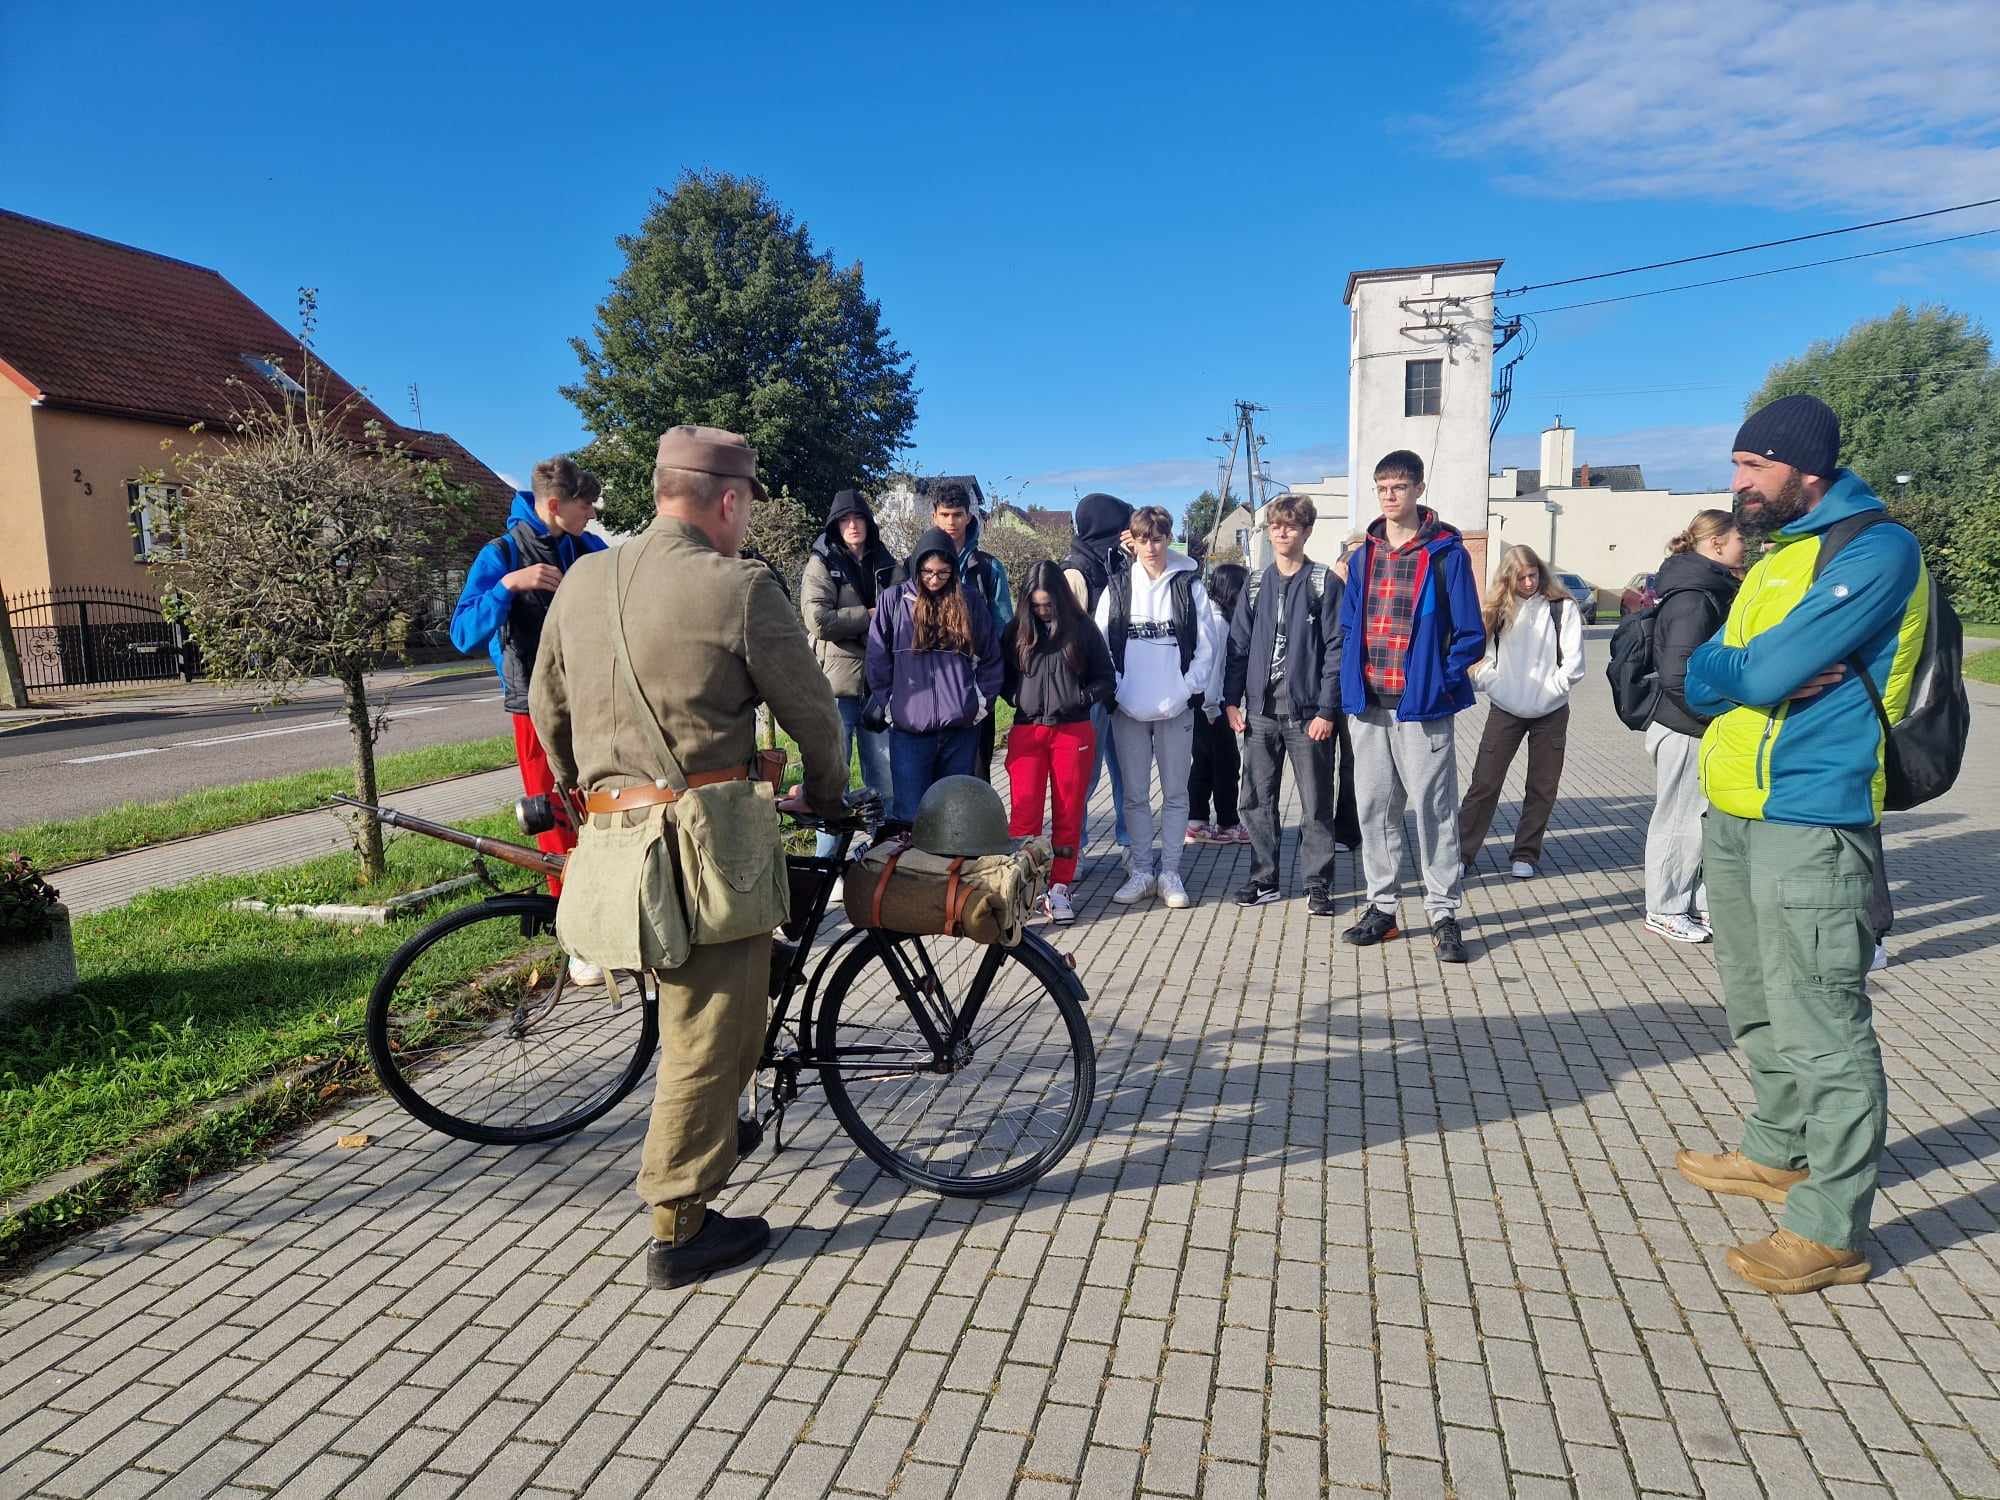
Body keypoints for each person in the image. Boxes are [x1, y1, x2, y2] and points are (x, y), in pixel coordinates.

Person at [529, 425, 846, 1288]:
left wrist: (585, 797)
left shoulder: (584, 578)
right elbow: (815, 715)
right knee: (707, 1036)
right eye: (748, 508)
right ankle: (678, 1225)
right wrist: (827, 790)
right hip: (709, 850)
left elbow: (544, 705)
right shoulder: (737, 586)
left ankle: (714, 1129)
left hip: (612, 843)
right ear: (730, 501)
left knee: (705, 1022)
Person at [1675, 393, 1928, 1295]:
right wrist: (1727, 671)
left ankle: (1832, 1225)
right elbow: (1703, 671)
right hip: (1738, 807)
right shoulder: (1783, 554)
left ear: (1803, 468)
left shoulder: (1876, 549)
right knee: (1754, 996)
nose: (1737, 482)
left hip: (1811, 817)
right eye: (1736, 465)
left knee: (1822, 1019)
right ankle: (1777, 1150)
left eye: (1753, 466)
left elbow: (1767, 670)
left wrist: (1738, 671)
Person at [1337, 450, 1485, 963]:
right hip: (1369, 705)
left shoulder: (1447, 555)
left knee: (1434, 810)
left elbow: (1470, 635)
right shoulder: (1364, 557)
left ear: (1419, 489)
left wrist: (1437, 682)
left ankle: (1443, 912)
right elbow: (1348, 626)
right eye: (1381, 487)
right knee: (1375, 809)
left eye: (1398, 486)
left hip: (1423, 707)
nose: (1389, 495)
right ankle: (1382, 908)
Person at [448, 458, 607, 928]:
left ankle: (604, 911)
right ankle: (571, 925)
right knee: (553, 814)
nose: (594, 514)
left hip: (591, 699)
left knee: (599, 805)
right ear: (555, 505)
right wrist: (507, 587)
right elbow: (462, 632)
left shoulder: (588, 548)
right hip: (533, 705)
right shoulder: (501, 554)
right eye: (587, 505)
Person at [1222, 497, 1352, 914]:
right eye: (1276, 526)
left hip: (1307, 714)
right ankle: (1264, 879)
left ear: (1307, 531)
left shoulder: (1323, 582)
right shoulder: (1256, 583)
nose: (1282, 533)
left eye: (1291, 526)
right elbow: (1238, 646)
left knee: (1315, 803)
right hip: (1259, 712)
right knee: (1256, 801)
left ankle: (1318, 883)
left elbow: (1337, 649)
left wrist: (1327, 711)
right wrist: (1230, 701)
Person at [1094, 506, 1216, 909]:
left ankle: (1170, 873)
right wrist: (1120, 692)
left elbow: (1207, 647)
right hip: (1127, 709)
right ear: (1132, 540)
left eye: (1158, 538)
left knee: (1176, 793)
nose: (1151, 546)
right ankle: (1142, 870)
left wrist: (1185, 690)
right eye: (1143, 539)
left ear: (1168, 538)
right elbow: (1100, 647)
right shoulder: (1117, 588)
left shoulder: (1189, 586)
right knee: (1134, 795)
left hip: (1176, 709)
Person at [1640, 510, 1744, 943]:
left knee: (1700, 818)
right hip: (1685, 725)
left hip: (1698, 724)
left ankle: (1695, 904)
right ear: (1716, 543)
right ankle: (1664, 907)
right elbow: (1678, 674)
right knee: (1679, 818)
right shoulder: (1693, 597)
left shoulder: (1707, 588)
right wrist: (1713, 715)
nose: (1746, 546)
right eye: (1739, 538)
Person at [1456, 543, 1586, 879]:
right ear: (1508, 578)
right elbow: (1476, 657)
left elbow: (1574, 664)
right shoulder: (1496, 609)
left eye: (1533, 574)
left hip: (1552, 710)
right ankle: (1461, 854)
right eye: (1521, 577)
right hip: (1505, 708)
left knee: (1542, 786)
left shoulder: (1562, 607)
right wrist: (1495, 684)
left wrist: (1552, 690)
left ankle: (1526, 854)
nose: (1529, 582)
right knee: (1484, 783)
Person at [867, 527, 1004, 825]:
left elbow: (991, 658)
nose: (933, 579)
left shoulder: (970, 601)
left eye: (943, 573)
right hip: (909, 733)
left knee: (954, 819)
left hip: (960, 731)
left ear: (953, 570)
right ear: (916, 566)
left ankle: (951, 873)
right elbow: (877, 661)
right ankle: (913, 873)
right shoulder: (893, 601)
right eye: (927, 571)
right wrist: (892, 707)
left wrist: (977, 707)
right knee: (910, 817)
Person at [1003, 560, 1116, 923]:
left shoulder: (1082, 629)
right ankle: (1023, 889)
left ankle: (1060, 888)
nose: (1042, 610)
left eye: (1047, 604)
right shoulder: (1016, 631)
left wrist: (1080, 699)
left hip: (1073, 731)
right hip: (1027, 730)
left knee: (1068, 811)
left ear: (1060, 599)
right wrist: (1017, 698)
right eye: (1035, 605)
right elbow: (1000, 675)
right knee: (1024, 814)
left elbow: (1105, 677)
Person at [800, 488, 897, 857]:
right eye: (845, 520)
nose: (853, 526)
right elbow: (818, 620)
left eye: (858, 519)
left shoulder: (885, 561)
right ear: (835, 525)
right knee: (833, 785)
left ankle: (882, 861)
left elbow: (901, 611)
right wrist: (869, 617)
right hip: (836, 689)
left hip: (878, 686)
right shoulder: (821, 563)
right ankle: (829, 865)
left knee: (884, 782)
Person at [921, 481, 1013, 781]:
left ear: (969, 517)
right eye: (945, 514)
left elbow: (1003, 629)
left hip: (974, 690)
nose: (951, 522)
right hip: (926, 689)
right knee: (929, 779)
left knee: (975, 776)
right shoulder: (915, 565)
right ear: (934, 515)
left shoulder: (988, 568)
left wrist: (989, 689)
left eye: (957, 514)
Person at [1064, 492, 1135, 857]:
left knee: (1126, 770)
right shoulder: (1076, 571)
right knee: (1084, 775)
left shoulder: (1116, 562)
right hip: (1089, 690)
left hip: (1119, 685)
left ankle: (1128, 843)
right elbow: (1067, 637)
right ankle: (1073, 850)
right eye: (1122, 524)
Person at [1187, 562, 1248, 847]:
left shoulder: (1207, 615)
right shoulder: (1220, 622)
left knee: (1202, 763)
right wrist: (1213, 707)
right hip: (1213, 704)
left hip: (1200, 704)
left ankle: (1197, 820)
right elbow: (1214, 669)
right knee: (1225, 765)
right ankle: (1227, 822)